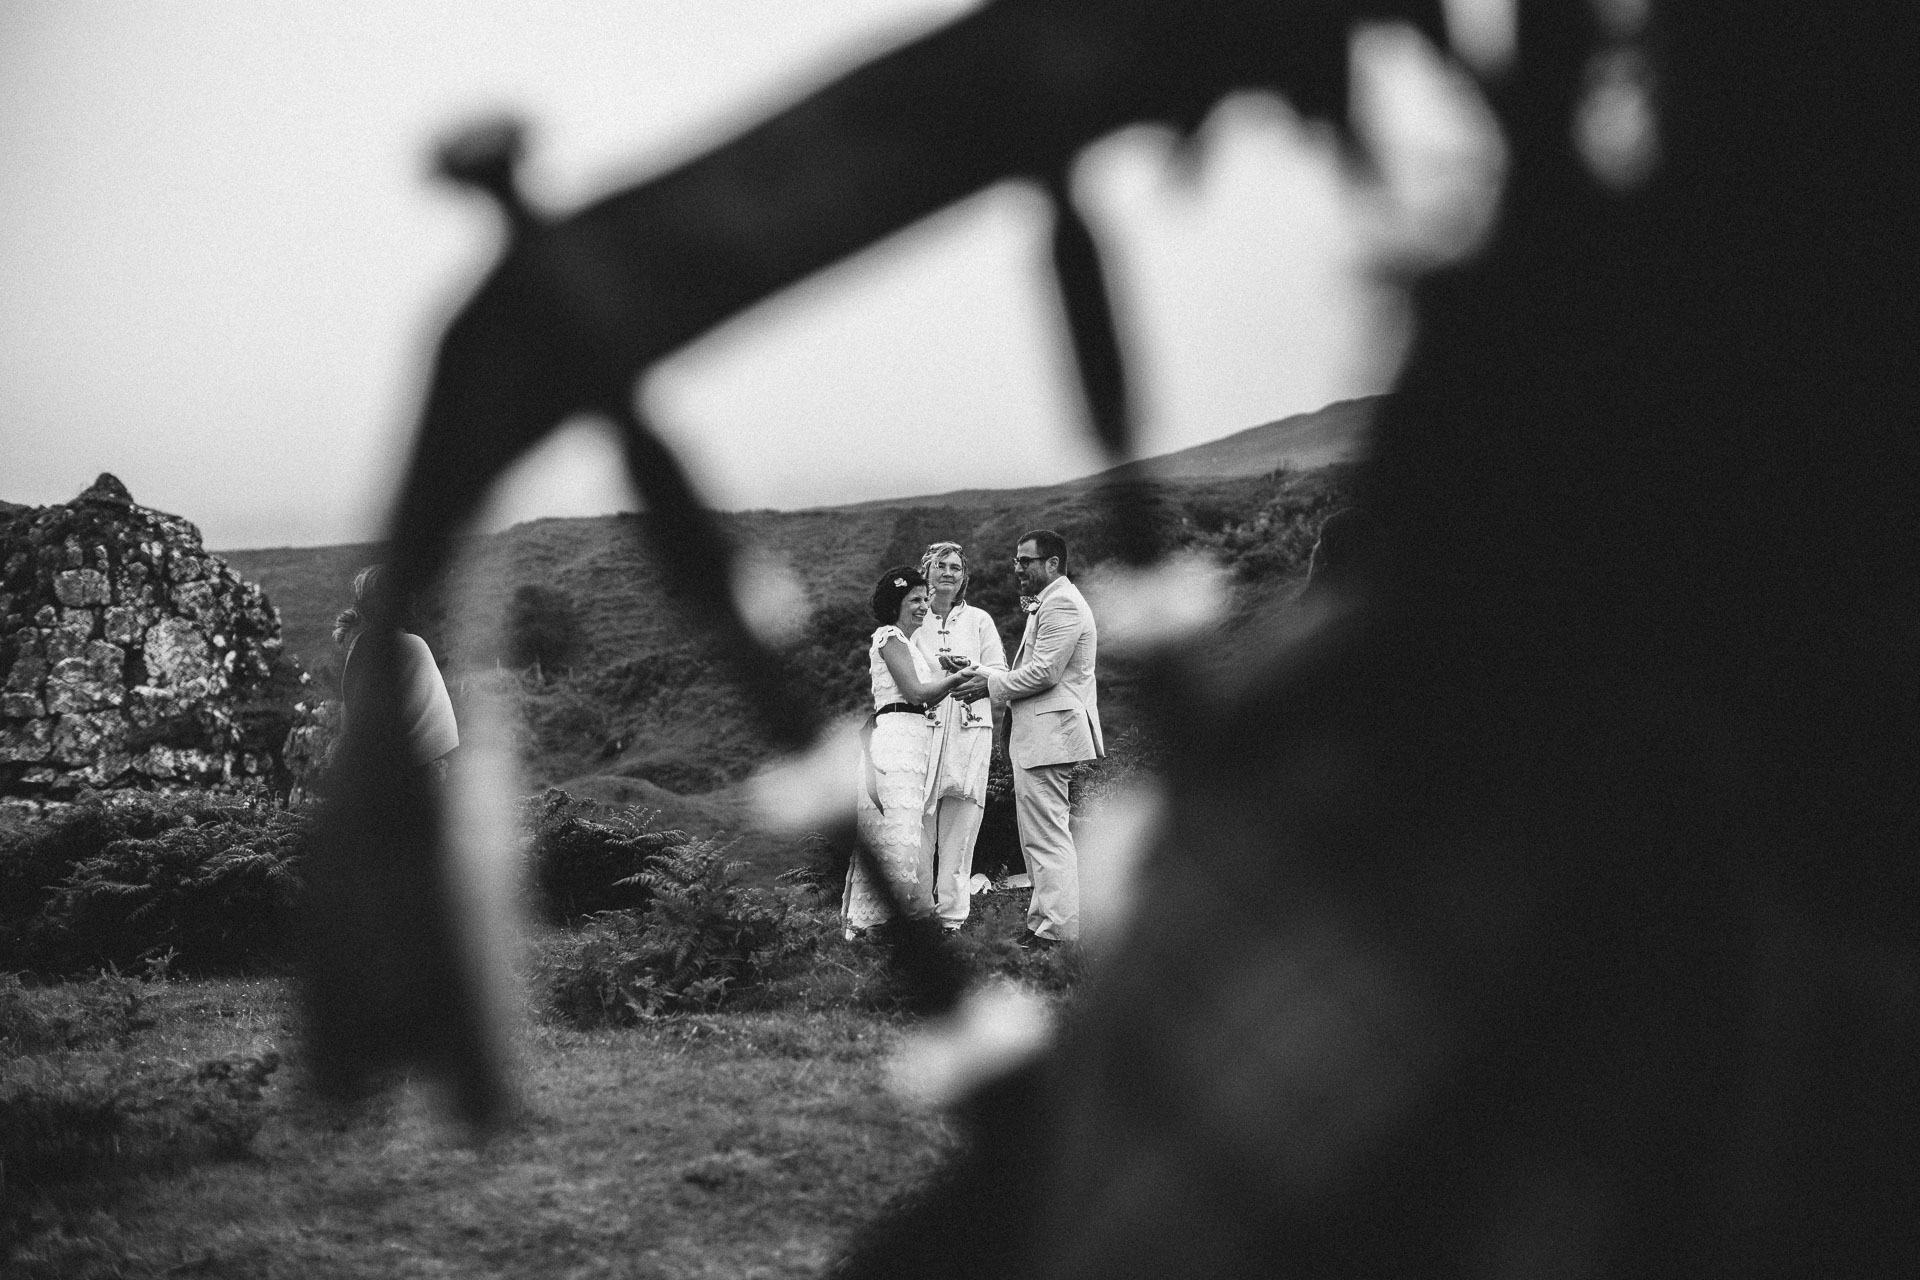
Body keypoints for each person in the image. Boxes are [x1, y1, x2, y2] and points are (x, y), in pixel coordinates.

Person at [968, 529, 1102, 948]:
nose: (1017, 568)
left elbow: (1044, 672)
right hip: (1043, 736)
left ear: (1052, 564)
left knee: (1047, 836)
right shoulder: (1049, 601)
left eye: (1025, 561)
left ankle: (1058, 932)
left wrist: (988, 687)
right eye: (1016, 560)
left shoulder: (1061, 602)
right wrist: (980, 670)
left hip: (1050, 735)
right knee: (1037, 836)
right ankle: (1042, 923)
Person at [844, 565, 980, 938]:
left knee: (904, 831)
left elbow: (921, 688)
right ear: (896, 605)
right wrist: (956, 680)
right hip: (894, 742)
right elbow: (917, 694)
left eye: (925, 599)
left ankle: (890, 920)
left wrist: (946, 670)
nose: (924, 606)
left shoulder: (909, 644)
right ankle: (874, 923)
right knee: (893, 830)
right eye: (915, 600)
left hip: (911, 741)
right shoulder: (889, 637)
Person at [911, 541, 1008, 930]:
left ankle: (952, 917)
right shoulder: (914, 620)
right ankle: (917, 913)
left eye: (956, 567)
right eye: (940, 566)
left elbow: (1000, 671)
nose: (948, 572)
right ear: (927, 572)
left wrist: (974, 671)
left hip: (969, 730)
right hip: (925, 729)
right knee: (919, 823)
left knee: (962, 823)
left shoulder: (980, 620)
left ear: (964, 576)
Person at [333, 565, 459, 775]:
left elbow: (353, 719)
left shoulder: (360, 645)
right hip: (415, 773)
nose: (413, 600)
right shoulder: (411, 645)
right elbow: (437, 735)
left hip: (373, 772)